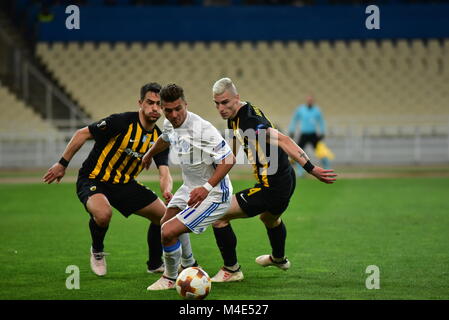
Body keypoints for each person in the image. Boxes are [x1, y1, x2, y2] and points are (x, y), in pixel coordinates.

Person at [210, 78, 337, 282]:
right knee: (269, 218)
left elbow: (284, 140)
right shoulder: (236, 115)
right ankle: (279, 259)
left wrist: (311, 169)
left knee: (218, 217)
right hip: (284, 178)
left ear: (237, 98)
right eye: (216, 103)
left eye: (225, 102)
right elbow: (232, 148)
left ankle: (231, 270)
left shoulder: (249, 122)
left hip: (273, 186)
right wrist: (218, 167)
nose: (221, 108)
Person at [43, 83, 173, 277]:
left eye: (159, 104)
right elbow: (82, 133)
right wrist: (62, 164)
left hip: (124, 185)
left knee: (164, 218)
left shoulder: (159, 138)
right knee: (103, 214)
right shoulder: (120, 122)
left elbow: (164, 172)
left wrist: (167, 190)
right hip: (93, 178)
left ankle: (155, 263)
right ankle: (97, 250)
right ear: (140, 103)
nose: (155, 108)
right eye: (150, 102)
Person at [142, 84, 235, 291]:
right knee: (165, 222)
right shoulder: (169, 124)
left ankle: (169, 277)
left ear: (186, 104)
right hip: (190, 187)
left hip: (215, 193)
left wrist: (206, 188)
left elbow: (229, 159)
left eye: (178, 109)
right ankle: (190, 264)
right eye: (168, 110)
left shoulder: (202, 129)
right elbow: (165, 138)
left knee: (168, 231)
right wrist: (149, 154)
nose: (174, 115)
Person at [288, 95, 330, 175]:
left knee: (321, 151)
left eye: (311, 100)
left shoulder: (317, 110)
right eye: (308, 100)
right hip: (304, 134)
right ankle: (300, 171)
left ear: (313, 101)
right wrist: (292, 130)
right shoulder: (301, 109)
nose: (309, 101)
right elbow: (294, 119)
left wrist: (322, 131)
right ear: (306, 101)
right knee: (299, 153)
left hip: (313, 134)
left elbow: (321, 121)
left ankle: (327, 167)